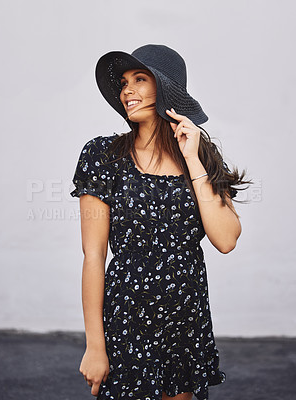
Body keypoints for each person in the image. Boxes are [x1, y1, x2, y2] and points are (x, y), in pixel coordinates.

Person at [70, 44, 251, 400]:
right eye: (124, 82)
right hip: (128, 317)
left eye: (140, 79)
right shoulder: (102, 156)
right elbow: (93, 256)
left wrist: (193, 161)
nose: (127, 90)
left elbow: (226, 239)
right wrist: (95, 345)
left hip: (185, 318)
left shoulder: (200, 157)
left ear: (166, 90)